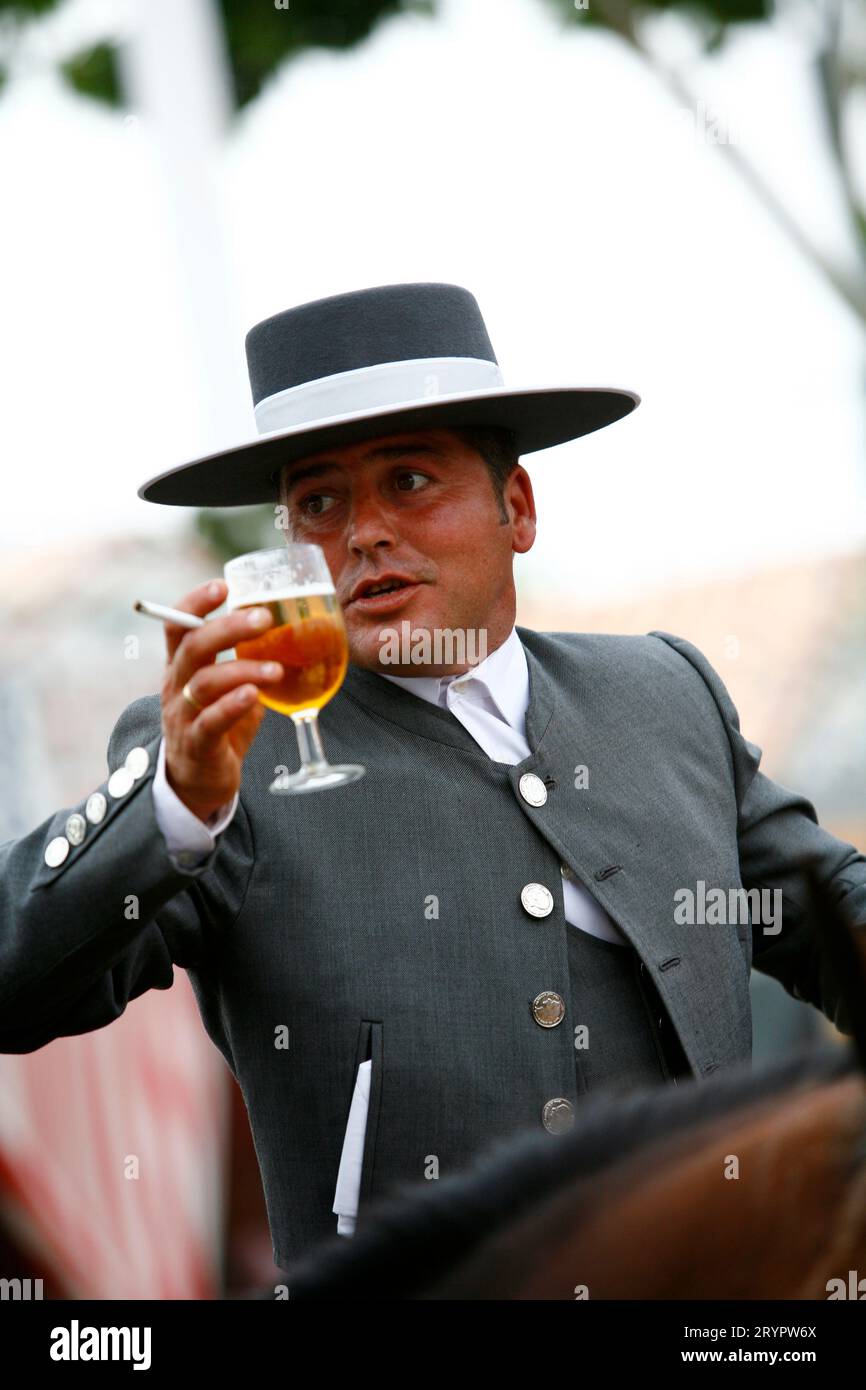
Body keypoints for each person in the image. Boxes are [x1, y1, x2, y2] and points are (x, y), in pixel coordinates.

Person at [2, 283, 864, 1273]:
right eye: (318, 501)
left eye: (408, 480)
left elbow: (831, 909)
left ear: (517, 507)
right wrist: (177, 805)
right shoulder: (225, 759)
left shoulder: (662, 695)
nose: (362, 531)